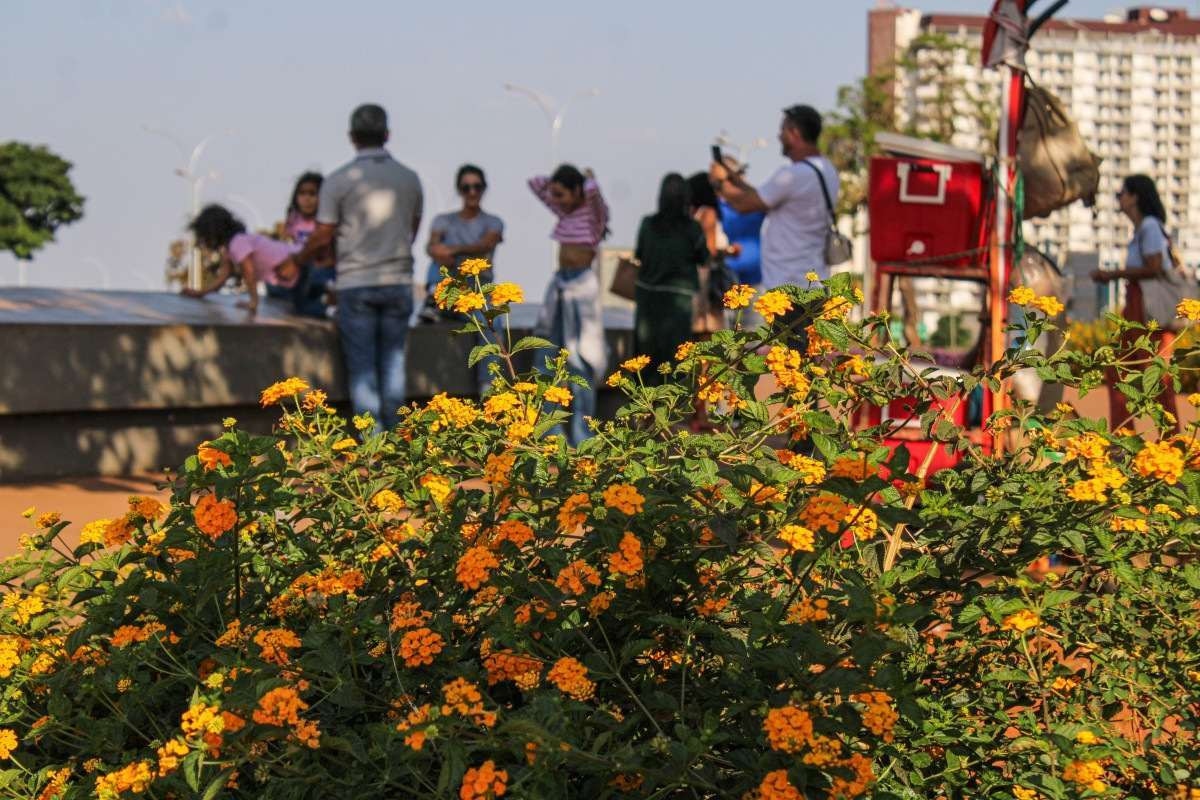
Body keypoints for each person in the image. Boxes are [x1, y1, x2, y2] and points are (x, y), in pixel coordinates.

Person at [293, 104, 423, 430]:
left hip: (355, 281)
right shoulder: (409, 178)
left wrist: (297, 259)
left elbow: (323, 233)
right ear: (388, 135)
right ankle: (396, 442)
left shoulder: (338, 181)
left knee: (362, 369)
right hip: (398, 279)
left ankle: (373, 446)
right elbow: (412, 228)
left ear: (351, 137)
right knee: (393, 365)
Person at [710, 105, 838, 290]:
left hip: (788, 283)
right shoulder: (827, 170)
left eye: (782, 130)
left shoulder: (793, 175)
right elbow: (762, 196)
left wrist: (718, 183)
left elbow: (745, 204)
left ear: (794, 133)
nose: (779, 136)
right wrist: (736, 179)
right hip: (812, 279)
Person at [1090, 174, 1181, 432]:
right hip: (1136, 307)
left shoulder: (1150, 226)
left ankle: (1172, 445)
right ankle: (1122, 438)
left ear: (1135, 197)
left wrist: (1113, 274)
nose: (1119, 198)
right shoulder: (1142, 230)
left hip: (1148, 309)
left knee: (1157, 377)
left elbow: (1154, 267)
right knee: (1118, 368)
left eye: (1122, 193)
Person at [528, 164, 610, 445]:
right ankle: (551, 431)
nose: (557, 200)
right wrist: (560, 183)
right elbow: (535, 182)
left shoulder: (594, 215)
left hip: (580, 286)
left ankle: (582, 435)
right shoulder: (564, 211)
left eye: (562, 194)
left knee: (580, 359)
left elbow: (596, 198)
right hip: (560, 284)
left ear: (577, 192)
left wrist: (588, 181)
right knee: (548, 354)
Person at [424, 164, 506, 391]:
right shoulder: (443, 220)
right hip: (452, 289)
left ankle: (489, 388)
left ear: (484, 189)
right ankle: (433, 299)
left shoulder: (493, 222)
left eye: (476, 187)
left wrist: (451, 250)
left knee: (493, 322)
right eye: (466, 187)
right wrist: (451, 253)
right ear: (459, 190)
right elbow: (431, 248)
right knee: (438, 264)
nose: (472, 192)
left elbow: (485, 245)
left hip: (479, 291)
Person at [633, 173, 708, 384]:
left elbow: (639, 254)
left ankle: (645, 406)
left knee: (647, 354)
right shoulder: (692, 228)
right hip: (679, 298)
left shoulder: (648, 224)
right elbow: (704, 258)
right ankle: (674, 405)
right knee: (677, 355)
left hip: (648, 295)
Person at [182, 204, 299, 316]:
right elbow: (223, 277)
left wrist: (253, 301)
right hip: (288, 276)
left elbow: (248, 271)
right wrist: (200, 293)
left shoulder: (237, 243)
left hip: (299, 263)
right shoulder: (230, 248)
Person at [281, 172, 335, 318]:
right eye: (302, 193)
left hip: (321, 268)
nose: (307, 199)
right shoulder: (293, 219)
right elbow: (286, 244)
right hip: (298, 268)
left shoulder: (325, 222)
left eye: (312, 194)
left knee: (315, 277)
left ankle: (326, 306)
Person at [687, 172, 729, 335]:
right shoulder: (708, 213)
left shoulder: (691, 214)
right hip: (705, 275)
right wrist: (726, 251)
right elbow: (710, 249)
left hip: (693, 274)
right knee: (709, 328)